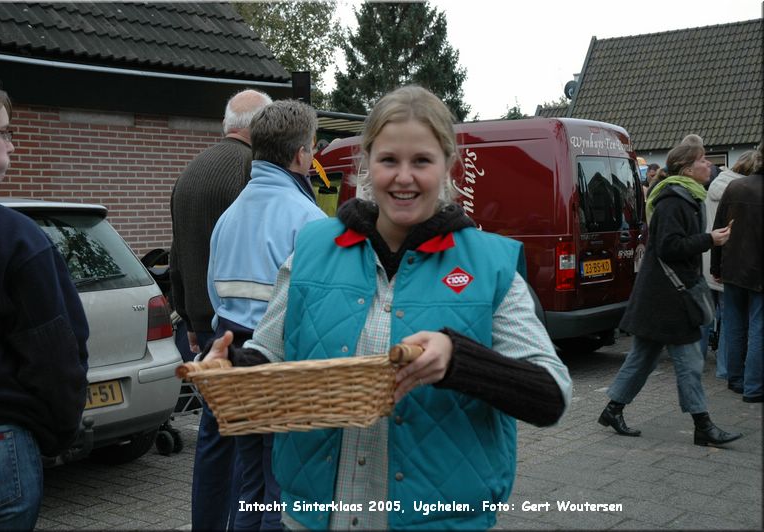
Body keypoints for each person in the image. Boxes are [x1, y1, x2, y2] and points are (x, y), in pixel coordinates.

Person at [204, 85, 572, 529]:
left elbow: (551, 396)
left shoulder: (489, 266)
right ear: (366, 165)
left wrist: (458, 359)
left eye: (421, 161)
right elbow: (270, 356)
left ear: (446, 167)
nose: (403, 177)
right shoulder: (312, 249)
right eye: (388, 161)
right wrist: (229, 369)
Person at [0, 69, 89, 529]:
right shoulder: (13, 237)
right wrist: (57, 434)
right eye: (4, 132)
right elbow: (58, 355)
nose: (12, 145)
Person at [206, 99, 326, 529]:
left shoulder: (228, 218)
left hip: (236, 359)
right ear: (300, 155)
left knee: (249, 486)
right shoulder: (309, 219)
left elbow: (214, 295)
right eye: (312, 149)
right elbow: (316, 308)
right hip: (280, 366)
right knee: (281, 489)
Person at [169, 88, 272, 531]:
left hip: (205, 329)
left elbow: (178, 254)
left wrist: (190, 320)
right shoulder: (252, 172)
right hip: (241, 331)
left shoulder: (189, 171)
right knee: (248, 450)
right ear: (259, 128)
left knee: (213, 441)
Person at [599, 142, 742, 447]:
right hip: (668, 298)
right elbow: (668, 246)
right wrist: (710, 240)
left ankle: (613, 409)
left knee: (642, 358)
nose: (709, 165)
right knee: (690, 361)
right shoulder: (673, 201)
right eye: (703, 160)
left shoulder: (687, 197)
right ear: (687, 168)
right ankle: (702, 425)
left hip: (660, 295)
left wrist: (709, 239)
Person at [711, 147, 763, 403]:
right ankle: (754, 387)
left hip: (732, 269)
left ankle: (736, 379)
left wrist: (716, 267)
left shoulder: (735, 187)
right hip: (757, 274)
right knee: (758, 327)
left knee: (734, 325)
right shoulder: (736, 188)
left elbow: (718, 229)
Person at [702, 150, 758, 375]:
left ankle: (696, 364)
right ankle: (725, 369)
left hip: (708, 257)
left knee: (705, 317)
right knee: (730, 320)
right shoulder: (744, 191)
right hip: (731, 262)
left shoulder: (713, 186)